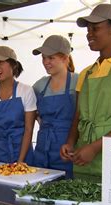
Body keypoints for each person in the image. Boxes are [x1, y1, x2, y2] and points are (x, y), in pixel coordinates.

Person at [60, 4, 111, 181]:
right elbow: (78, 116)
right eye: (88, 29)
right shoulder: (85, 73)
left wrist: (95, 148)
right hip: (83, 157)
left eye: (95, 28)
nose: (89, 34)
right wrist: (70, 142)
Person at [0, 46, 36, 164]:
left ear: (13, 65)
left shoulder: (25, 91)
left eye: (0, 62)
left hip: (21, 153)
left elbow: (29, 129)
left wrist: (20, 161)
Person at [32, 35, 78, 178]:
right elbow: (31, 112)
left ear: (65, 58)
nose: (46, 62)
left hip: (68, 149)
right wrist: (42, 122)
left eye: (51, 58)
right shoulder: (39, 85)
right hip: (42, 148)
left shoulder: (78, 81)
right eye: (43, 58)